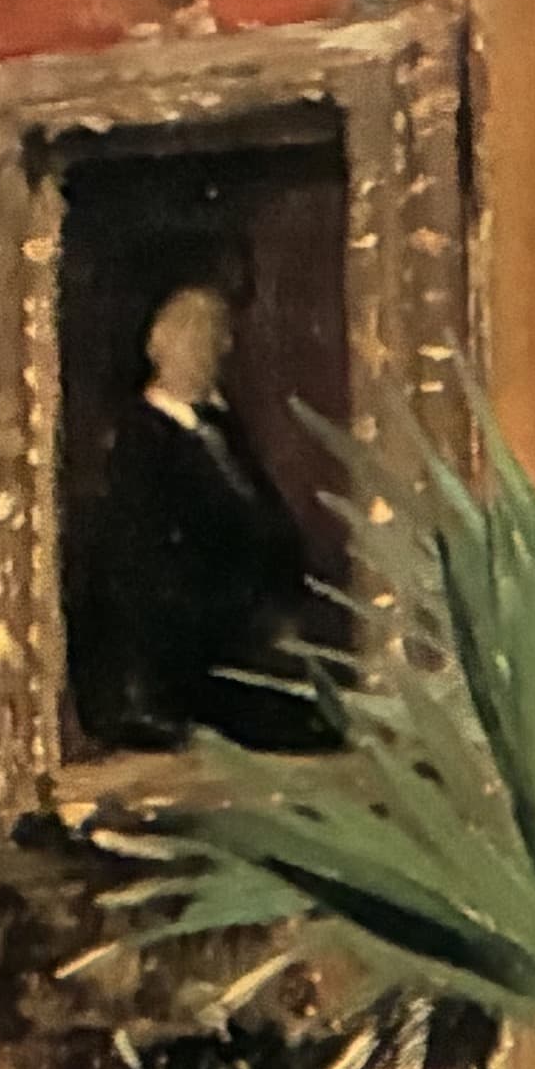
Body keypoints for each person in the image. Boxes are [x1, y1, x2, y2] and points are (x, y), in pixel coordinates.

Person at [71, 277, 335, 752]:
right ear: (164, 349)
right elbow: (145, 573)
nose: (220, 350)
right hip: (186, 665)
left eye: (220, 338)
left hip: (249, 644)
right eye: (205, 339)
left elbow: (264, 521)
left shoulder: (220, 430)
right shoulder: (141, 441)